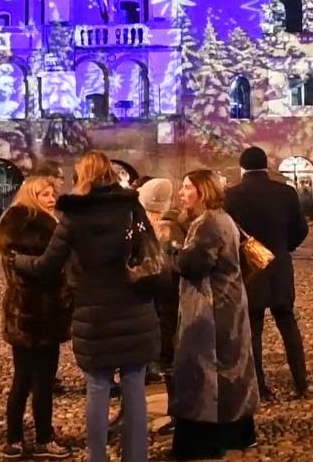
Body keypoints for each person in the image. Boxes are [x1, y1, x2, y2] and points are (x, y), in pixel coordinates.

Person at [12, 151, 159, 462]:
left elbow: (46, 265)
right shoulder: (131, 207)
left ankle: (98, 458)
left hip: (94, 313)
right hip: (135, 307)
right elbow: (151, 250)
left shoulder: (74, 215)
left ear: (82, 178)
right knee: (134, 384)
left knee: (97, 385)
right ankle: (136, 457)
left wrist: (19, 261)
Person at [170, 170, 259, 459]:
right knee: (231, 367)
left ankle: (205, 439)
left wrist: (169, 249)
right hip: (227, 303)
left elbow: (193, 264)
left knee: (206, 369)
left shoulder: (208, 222)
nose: (181, 193)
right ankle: (238, 432)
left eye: (187, 187)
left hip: (212, 307)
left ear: (202, 191)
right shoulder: (221, 218)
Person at [0, 176, 73, 459]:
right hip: (29, 312)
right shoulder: (26, 226)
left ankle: (42, 437)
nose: (51, 198)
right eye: (44, 194)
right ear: (31, 195)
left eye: (53, 193)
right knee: (25, 378)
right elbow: (38, 270)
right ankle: (15, 437)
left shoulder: (48, 223)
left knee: (43, 379)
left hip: (44, 312)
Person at [224, 147, 308, 401]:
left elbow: (229, 233)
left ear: (242, 167)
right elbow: (301, 228)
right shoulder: (285, 192)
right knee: (288, 324)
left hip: (251, 268)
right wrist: (285, 246)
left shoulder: (233, 195)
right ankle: (301, 383)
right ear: (266, 165)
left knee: (253, 328)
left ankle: (260, 387)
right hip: (280, 265)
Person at [138, 177, 183, 433]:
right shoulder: (170, 224)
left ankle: (177, 414)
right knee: (167, 358)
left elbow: (167, 268)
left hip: (167, 303)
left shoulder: (165, 228)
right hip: (165, 303)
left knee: (169, 360)